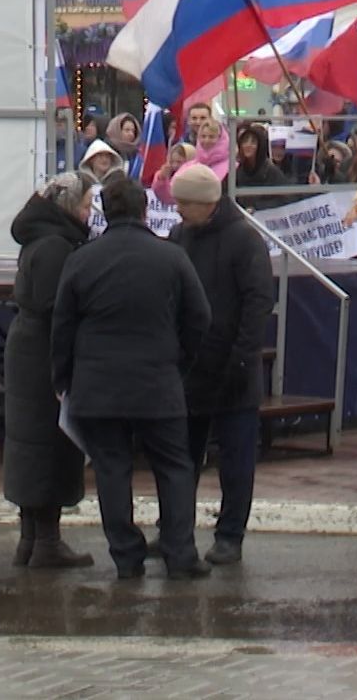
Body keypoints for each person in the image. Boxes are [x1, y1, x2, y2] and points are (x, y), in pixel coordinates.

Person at [51, 178, 212, 579]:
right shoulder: (171, 257)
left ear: (106, 211)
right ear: (144, 211)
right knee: (175, 467)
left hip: (97, 386)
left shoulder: (81, 259)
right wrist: (179, 364)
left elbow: (62, 327)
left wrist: (63, 379)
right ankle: (180, 554)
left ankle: (126, 556)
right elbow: (200, 318)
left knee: (111, 468)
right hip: (159, 383)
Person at [166, 163, 272, 565]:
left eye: (183, 203)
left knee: (236, 462)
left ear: (205, 203)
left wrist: (242, 359)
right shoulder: (179, 236)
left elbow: (258, 302)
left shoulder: (244, 240)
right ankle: (176, 531)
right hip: (189, 368)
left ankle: (230, 535)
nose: (176, 210)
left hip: (233, 370)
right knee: (181, 459)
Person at [4, 172, 97, 570]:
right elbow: (55, 307)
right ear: (71, 206)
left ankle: (30, 539)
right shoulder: (58, 247)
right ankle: (47, 541)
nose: (90, 211)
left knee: (28, 442)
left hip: (27, 349)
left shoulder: (39, 239)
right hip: (44, 353)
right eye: (88, 203)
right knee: (48, 443)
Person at [232, 124, 292, 209]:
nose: (248, 145)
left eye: (253, 142)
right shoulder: (238, 171)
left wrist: (257, 207)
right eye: (245, 141)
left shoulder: (271, 171)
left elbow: (286, 199)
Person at [186, 103, 230, 179]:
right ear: (189, 120)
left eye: (203, 118)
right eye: (194, 118)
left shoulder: (227, 140)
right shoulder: (182, 141)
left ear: (210, 118)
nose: (198, 122)